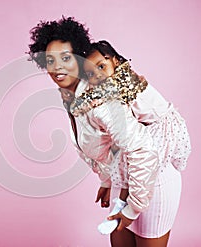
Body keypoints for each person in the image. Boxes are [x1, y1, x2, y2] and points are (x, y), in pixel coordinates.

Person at [28, 17, 190, 247]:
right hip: (126, 179)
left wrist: (132, 208)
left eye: (65, 58)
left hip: (153, 181)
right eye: (50, 60)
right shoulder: (72, 94)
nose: (57, 67)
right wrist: (107, 180)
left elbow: (143, 150)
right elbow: (106, 145)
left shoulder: (100, 100)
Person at [70, 40, 191, 245]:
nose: (98, 75)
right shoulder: (106, 88)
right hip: (139, 143)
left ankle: (128, 201)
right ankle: (123, 198)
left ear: (115, 61)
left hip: (157, 134)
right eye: (91, 73)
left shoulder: (124, 79)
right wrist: (107, 179)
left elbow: (137, 142)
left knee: (138, 152)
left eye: (102, 66)